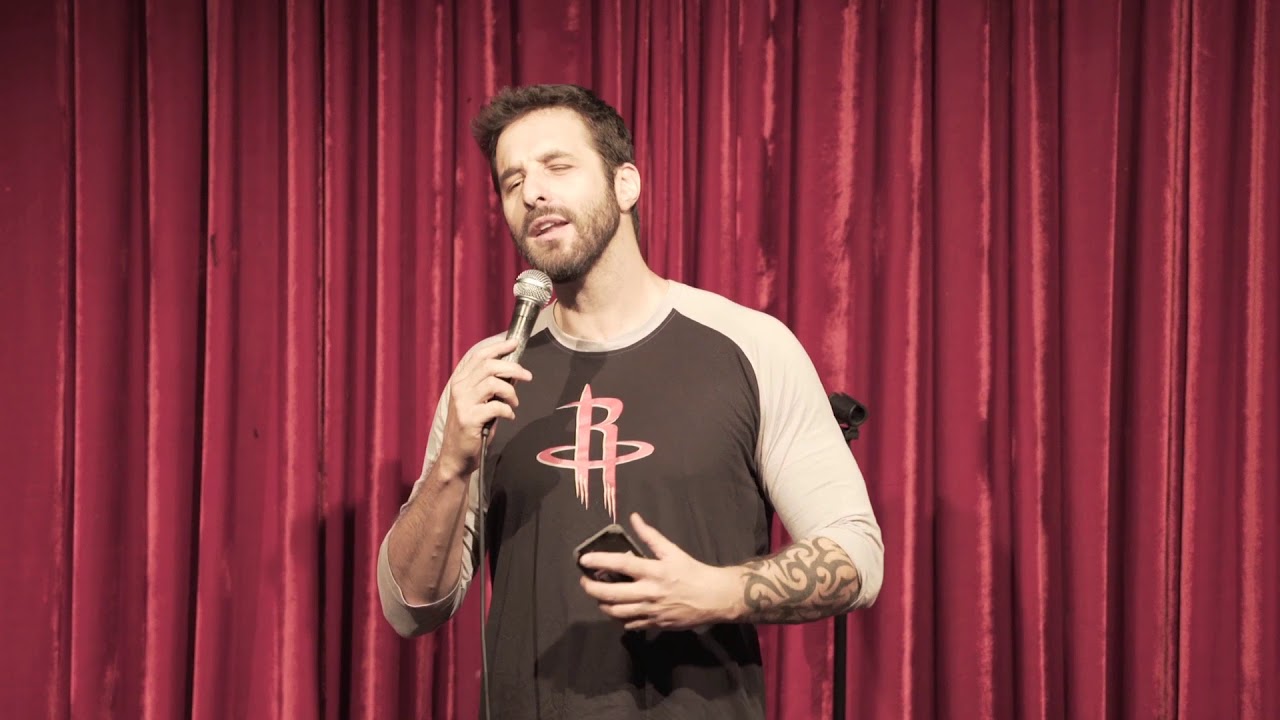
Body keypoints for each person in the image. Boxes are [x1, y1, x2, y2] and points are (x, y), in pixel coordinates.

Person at [377, 84, 883, 719]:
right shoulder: (491, 374)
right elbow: (409, 608)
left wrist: (720, 591)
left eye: (557, 166)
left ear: (625, 185)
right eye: (513, 181)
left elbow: (856, 554)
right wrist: (451, 466)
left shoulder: (751, 346)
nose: (532, 193)